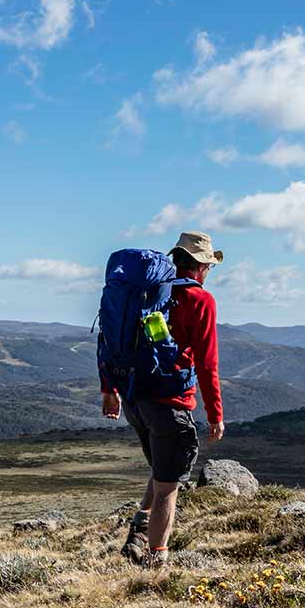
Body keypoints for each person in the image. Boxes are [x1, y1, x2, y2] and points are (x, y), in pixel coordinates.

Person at [103, 230, 226, 567]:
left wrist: (108, 389)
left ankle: (137, 536)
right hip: (170, 404)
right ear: (201, 266)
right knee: (168, 488)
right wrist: (215, 414)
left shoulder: (147, 293)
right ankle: (155, 565)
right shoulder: (201, 300)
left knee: (161, 470)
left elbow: (109, 338)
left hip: (134, 400)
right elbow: (207, 362)